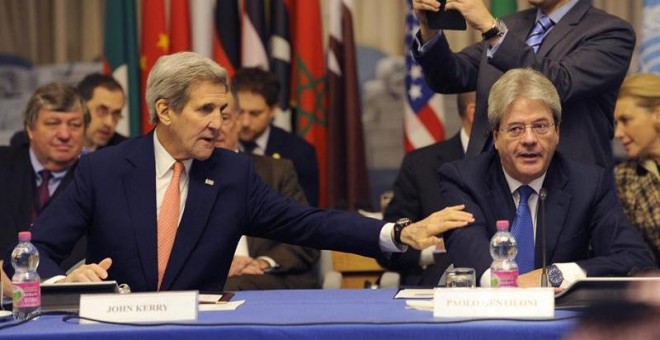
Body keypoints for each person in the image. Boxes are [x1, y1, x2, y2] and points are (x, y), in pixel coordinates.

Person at [3, 51, 475, 293]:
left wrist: (399, 232)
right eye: (206, 109)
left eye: (223, 109)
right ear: (165, 111)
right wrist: (61, 283)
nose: (219, 123)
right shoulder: (103, 171)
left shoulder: (232, 175)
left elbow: (311, 223)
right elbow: (37, 248)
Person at [437, 68, 654, 289]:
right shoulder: (463, 180)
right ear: (496, 137)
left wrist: (562, 273)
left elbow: (635, 258)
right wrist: (508, 288)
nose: (529, 139)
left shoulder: (589, 183)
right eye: (515, 129)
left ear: (557, 132)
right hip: (485, 317)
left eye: (540, 126)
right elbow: (471, 253)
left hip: (561, 319)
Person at [412, 0, 635, 169]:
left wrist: (492, 29)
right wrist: (428, 29)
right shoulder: (511, 25)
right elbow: (451, 76)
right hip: (488, 179)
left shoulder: (610, 32)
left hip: (565, 186)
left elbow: (561, 83)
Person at [216, 90, 320, 290]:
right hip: (217, 279)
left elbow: (306, 236)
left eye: (225, 118)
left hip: (272, 277)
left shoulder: (276, 171)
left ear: (238, 121)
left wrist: (261, 263)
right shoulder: (186, 177)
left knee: (230, 286)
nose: (217, 126)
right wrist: (220, 266)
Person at [0, 83, 88, 296]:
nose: (65, 134)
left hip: (68, 299)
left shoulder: (96, 177)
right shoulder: (3, 165)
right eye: (53, 123)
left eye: (75, 125)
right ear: (30, 129)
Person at [381, 92, 475, 286]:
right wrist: (431, 251)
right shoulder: (420, 164)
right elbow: (388, 245)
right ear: (474, 112)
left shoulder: (519, 163)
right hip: (432, 289)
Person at [232, 67, 320, 207]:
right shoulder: (219, 143)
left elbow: (306, 217)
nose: (245, 122)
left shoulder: (299, 153)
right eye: (239, 111)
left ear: (273, 110)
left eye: (255, 114)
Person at [10, 73, 128, 152]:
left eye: (116, 114)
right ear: (81, 106)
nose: (109, 122)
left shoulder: (124, 151)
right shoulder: (27, 144)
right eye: (102, 111)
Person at [613, 74, 660, 266]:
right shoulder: (625, 177)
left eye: (626, 120)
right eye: (616, 123)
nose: (618, 133)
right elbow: (638, 255)